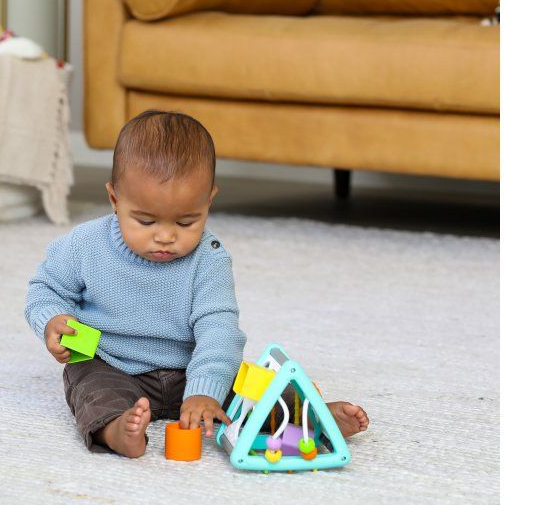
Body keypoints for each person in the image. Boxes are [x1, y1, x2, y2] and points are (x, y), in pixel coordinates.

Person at [25, 110, 368, 457]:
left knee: (246, 388)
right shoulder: (85, 245)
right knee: (90, 386)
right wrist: (52, 320)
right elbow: (46, 289)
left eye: (186, 222)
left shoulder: (210, 258)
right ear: (115, 200)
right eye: (145, 221)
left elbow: (219, 330)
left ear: (208, 201)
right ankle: (116, 430)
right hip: (112, 363)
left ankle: (311, 416)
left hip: (190, 368)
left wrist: (205, 390)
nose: (165, 236)